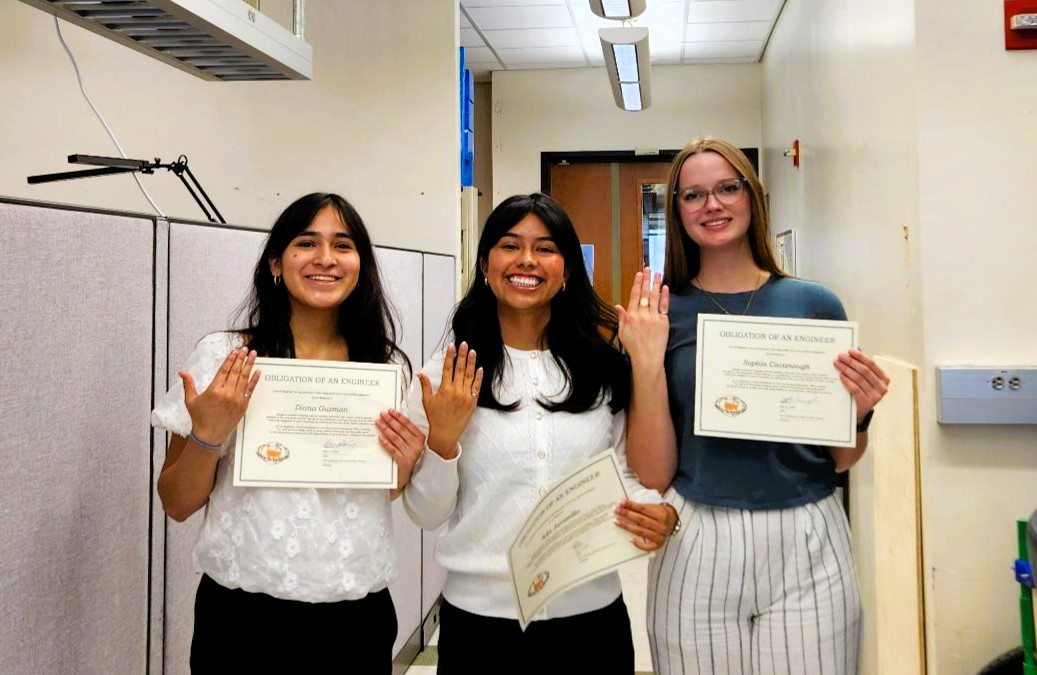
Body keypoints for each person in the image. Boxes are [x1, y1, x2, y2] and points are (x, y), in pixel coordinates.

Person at [619, 138, 890, 675]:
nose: (711, 205)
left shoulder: (815, 304)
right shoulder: (662, 312)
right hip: (698, 534)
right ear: (676, 212)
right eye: (692, 195)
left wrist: (859, 414)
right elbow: (653, 472)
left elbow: (839, 459)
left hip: (807, 532)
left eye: (726, 188)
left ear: (753, 196)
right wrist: (645, 363)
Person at [402, 193, 680, 675]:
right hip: (480, 628)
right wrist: (442, 442)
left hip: (592, 623)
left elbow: (624, 474)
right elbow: (426, 514)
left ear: (568, 269)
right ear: (486, 263)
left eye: (546, 248)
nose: (527, 260)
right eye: (510, 245)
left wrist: (658, 512)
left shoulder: (602, 370)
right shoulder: (445, 375)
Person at [151, 192, 426, 674]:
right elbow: (175, 503)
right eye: (307, 243)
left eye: (343, 245)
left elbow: (380, 493)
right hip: (243, 618)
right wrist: (208, 435)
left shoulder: (383, 369)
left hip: (355, 613)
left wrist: (401, 465)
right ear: (276, 263)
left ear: (360, 264)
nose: (325, 259)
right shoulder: (227, 358)